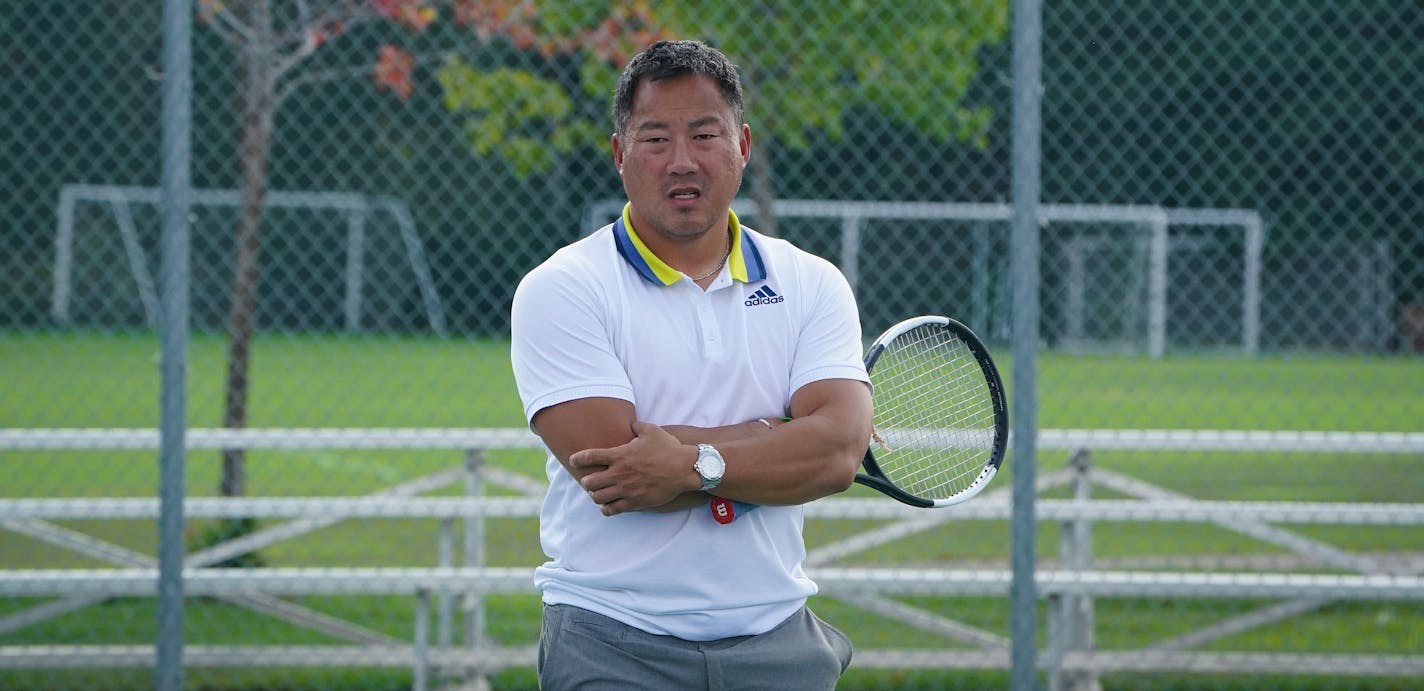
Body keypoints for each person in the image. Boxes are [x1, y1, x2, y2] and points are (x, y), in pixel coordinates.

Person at [510, 39, 873, 690]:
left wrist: (689, 464)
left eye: (706, 134)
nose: (682, 160)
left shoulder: (813, 283)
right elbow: (614, 472)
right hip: (611, 643)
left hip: (780, 639)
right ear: (621, 156)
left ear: (744, 146)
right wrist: (774, 438)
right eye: (655, 139)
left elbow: (839, 452)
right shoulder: (562, 286)